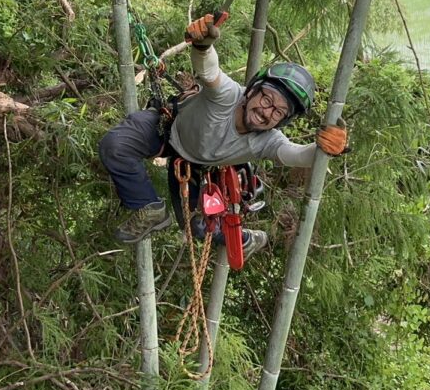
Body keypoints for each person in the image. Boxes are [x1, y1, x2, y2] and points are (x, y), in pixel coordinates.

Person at [98, 13, 349, 256]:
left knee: (197, 226)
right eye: (266, 98)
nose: (266, 111)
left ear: (283, 121)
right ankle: (147, 207)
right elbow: (209, 71)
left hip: (195, 166)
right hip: (166, 129)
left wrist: (325, 149)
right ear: (252, 91)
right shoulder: (228, 96)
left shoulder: (268, 140)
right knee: (116, 146)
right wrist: (204, 44)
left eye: (278, 111)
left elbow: (296, 155)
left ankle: (247, 239)